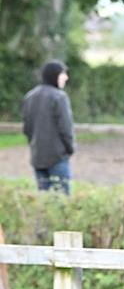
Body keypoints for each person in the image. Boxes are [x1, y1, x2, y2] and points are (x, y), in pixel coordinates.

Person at [21, 60, 75, 195]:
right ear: (55, 75)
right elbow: (66, 128)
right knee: (61, 199)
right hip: (57, 156)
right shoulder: (59, 97)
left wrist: (34, 145)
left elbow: (27, 128)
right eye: (63, 74)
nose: (66, 77)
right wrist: (70, 148)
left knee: (44, 201)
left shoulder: (30, 96)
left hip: (37, 156)